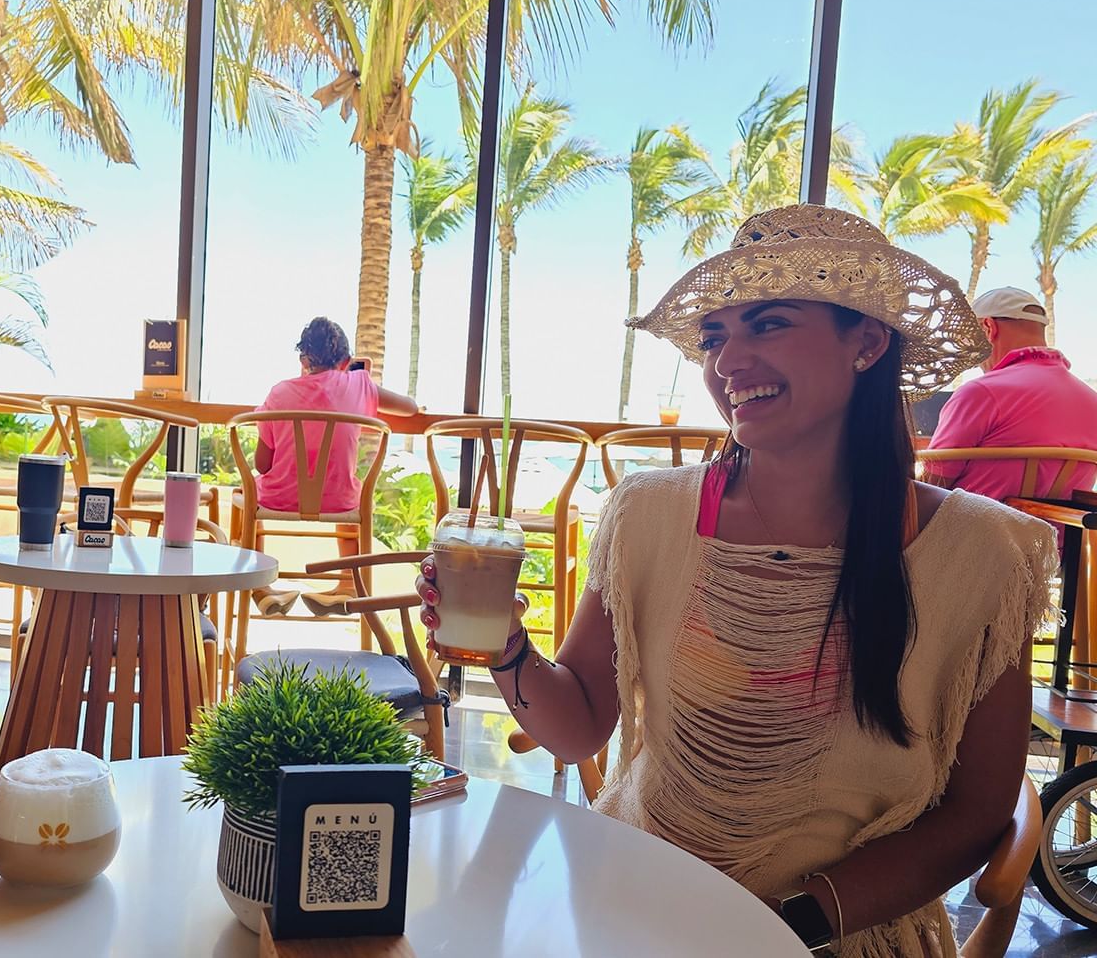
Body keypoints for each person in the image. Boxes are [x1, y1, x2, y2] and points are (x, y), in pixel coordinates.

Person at [420, 206, 1057, 956]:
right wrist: (507, 649)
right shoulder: (649, 513)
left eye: (769, 323)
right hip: (632, 902)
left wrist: (794, 923)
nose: (727, 362)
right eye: (716, 338)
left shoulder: (981, 553)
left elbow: (977, 812)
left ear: (868, 340)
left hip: (837, 934)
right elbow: (578, 727)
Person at [249, 317, 417, 616]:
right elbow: (409, 408)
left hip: (280, 499)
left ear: (303, 359)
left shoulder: (279, 393)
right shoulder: (359, 384)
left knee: (248, 491)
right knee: (345, 486)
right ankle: (348, 583)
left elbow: (263, 465)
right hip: (340, 502)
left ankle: (261, 586)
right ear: (348, 361)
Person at [924, 286, 1097, 501]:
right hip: (1058, 534)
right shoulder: (1092, 401)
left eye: (970, 339)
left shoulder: (980, 392)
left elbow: (932, 484)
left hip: (971, 532)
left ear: (988, 328)